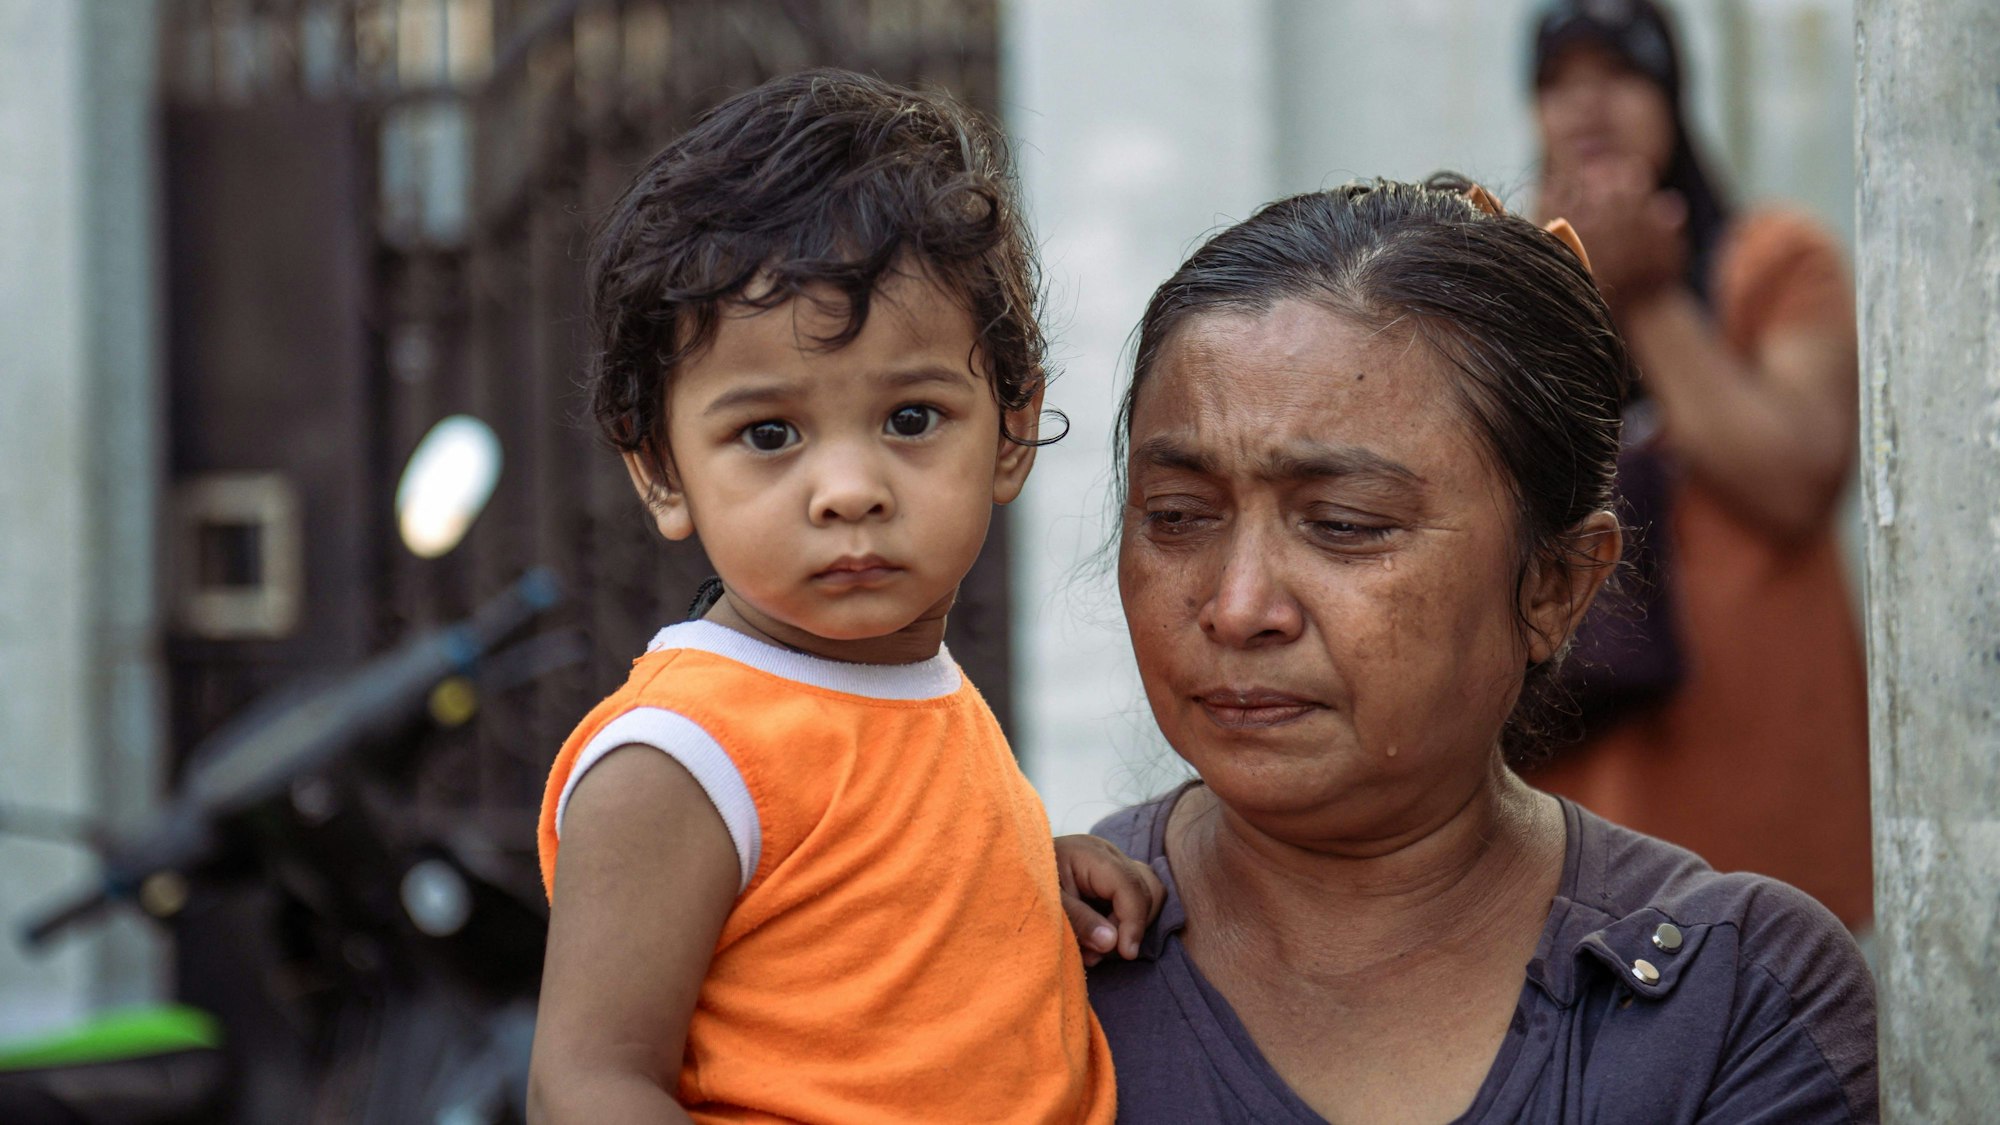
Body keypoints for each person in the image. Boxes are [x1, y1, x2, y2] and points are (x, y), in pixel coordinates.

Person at [1085, 177, 1878, 1123]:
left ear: (1555, 587)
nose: (1238, 604)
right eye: (1177, 516)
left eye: (1343, 523)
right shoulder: (1024, 946)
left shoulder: (1728, 995)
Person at [527, 70, 1160, 1123]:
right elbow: (584, 1085)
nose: (850, 491)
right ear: (660, 473)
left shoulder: (912, 689)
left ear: (1010, 429)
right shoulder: (679, 758)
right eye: (768, 435)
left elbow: (848, 932)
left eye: (911, 419)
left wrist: (1019, 884)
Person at [1524, 0, 1872, 929]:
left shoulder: (1777, 260)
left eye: (1621, 74)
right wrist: (1554, 291)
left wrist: (1644, 294)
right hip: (1576, 804)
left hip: (1755, 780)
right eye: (1560, 82)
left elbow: (1795, 476)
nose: (1588, 105)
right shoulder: (1509, 280)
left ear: (1676, 95)